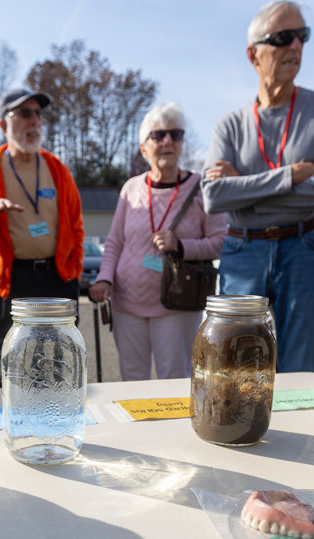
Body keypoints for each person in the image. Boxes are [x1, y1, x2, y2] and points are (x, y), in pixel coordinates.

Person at [201, 0, 314, 373]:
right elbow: (213, 197)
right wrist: (288, 176)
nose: (296, 46)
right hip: (244, 251)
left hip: (308, 248)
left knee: (300, 367)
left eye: (303, 36)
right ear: (254, 55)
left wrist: (246, 191)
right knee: (235, 361)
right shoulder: (229, 126)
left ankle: (297, 434)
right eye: (284, 37)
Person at [89, 103, 226, 380]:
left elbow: (221, 241)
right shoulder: (131, 188)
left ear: (182, 143)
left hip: (178, 302)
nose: (166, 142)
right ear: (143, 148)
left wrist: (182, 245)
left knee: (174, 378)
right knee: (132, 378)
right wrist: (104, 279)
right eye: (157, 135)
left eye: (175, 135)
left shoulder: (201, 187)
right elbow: (114, 241)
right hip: (127, 302)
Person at [0, 88, 85, 386]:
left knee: (60, 361)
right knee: (10, 362)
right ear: (3, 125)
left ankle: (58, 424)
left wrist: (74, 272)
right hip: (12, 281)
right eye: (25, 114)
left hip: (58, 278)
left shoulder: (57, 169)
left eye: (38, 114)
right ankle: (4, 425)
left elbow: (77, 227)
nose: (35, 121)